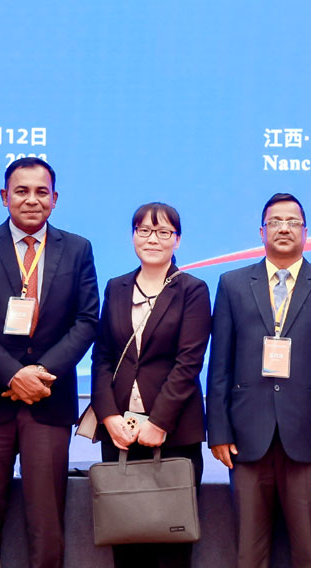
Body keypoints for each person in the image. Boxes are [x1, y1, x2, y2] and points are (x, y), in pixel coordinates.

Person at [0, 157, 99, 568]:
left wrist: (40, 375)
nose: (31, 199)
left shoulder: (78, 249)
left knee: (47, 522)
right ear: (4, 197)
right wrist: (14, 374)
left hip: (49, 402)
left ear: (55, 199)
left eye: (41, 191)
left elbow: (87, 320)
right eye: (21, 191)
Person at [206, 193, 311, 568]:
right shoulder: (233, 284)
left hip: (310, 438)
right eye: (275, 221)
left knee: (308, 551)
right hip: (245, 438)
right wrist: (218, 431)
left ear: (306, 231)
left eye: (292, 222)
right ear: (262, 232)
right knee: (249, 553)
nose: (283, 228)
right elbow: (219, 364)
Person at [89, 202, 212, 568]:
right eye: (143, 230)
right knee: (125, 542)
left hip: (173, 434)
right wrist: (108, 417)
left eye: (163, 232)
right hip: (120, 435)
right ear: (133, 237)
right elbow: (102, 357)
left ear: (178, 240)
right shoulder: (116, 287)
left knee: (172, 548)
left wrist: (158, 422)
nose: (152, 239)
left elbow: (188, 362)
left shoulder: (193, 289)